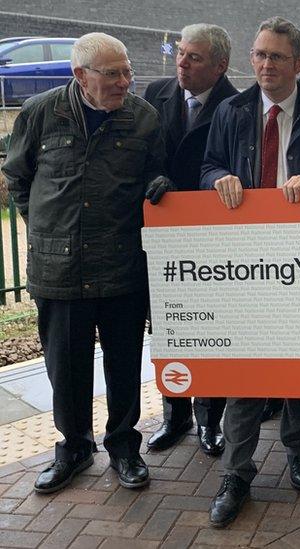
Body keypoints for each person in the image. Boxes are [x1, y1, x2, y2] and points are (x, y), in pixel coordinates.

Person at [200, 16, 300, 528]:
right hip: (247, 265)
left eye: (277, 57)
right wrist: (220, 176)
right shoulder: (232, 110)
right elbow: (208, 167)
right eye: (259, 55)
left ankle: (299, 449)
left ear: (299, 64)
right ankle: (235, 473)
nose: (265, 65)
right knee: (247, 370)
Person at [3, 32, 168, 494]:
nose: (124, 81)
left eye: (127, 70)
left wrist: (160, 182)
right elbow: (18, 176)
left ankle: (123, 446)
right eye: (112, 73)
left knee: (123, 362)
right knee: (66, 366)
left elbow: (158, 172)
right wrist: (46, 225)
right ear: (81, 75)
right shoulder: (41, 112)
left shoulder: (143, 118)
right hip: (60, 269)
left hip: (121, 265)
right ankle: (73, 447)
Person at [143, 23, 238, 456]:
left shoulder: (237, 106)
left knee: (212, 330)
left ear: (220, 66)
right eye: (181, 53)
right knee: (169, 326)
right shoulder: (155, 94)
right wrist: (153, 179)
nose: (181, 62)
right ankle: (174, 415)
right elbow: (139, 155)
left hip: (213, 240)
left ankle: (210, 420)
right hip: (163, 235)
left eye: (194, 57)